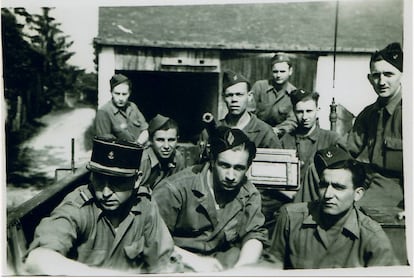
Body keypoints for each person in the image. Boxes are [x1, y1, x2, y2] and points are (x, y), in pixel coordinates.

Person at [24, 137, 181, 275]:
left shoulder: (144, 205)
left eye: (117, 182)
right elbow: (37, 259)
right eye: (99, 180)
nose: (105, 192)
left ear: (137, 180)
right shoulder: (78, 207)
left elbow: (163, 264)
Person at [152, 126, 268, 272]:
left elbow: (254, 233)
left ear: (248, 167)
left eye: (239, 168)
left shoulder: (249, 193)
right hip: (178, 261)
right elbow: (151, 237)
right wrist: (194, 262)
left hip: (220, 264)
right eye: (224, 165)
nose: (231, 176)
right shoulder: (174, 190)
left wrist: (242, 268)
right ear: (212, 160)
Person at [265, 144, 398, 269]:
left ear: (357, 194)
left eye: (338, 187)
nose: (328, 194)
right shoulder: (291, 218)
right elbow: (273, 263)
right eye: (323, 185)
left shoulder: (372, 238)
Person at [347, 42, 403, 210]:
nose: (381, 81)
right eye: (376, 75)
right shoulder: (370, 113)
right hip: (369, 178)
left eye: (388, 74)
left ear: (402, 75)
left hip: (397, 185)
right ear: (369, 78)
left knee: (356, 213)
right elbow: (348, 148)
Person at [281, 89, 343, 185]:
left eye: (309, 111)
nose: (305, 117)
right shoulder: (285, 140)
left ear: (317, 110)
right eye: (300, 112)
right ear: (293, 111)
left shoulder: (332, 139)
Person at [218, 70, 281, 148]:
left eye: (239, 94)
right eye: (229, 95)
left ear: (250, 96)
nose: (234, 99)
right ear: (223, 97)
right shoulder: (214, 130)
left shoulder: (264, 132)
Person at [250, 52, 297, 137]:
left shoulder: (294, 93)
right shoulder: (259, 87)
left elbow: (292, 120)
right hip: (257, 133)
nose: (278, 75)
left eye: (282, 71)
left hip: (281, 136)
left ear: (290, 71)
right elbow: (249, 111)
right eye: (275, 71)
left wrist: (277, 130)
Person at [95, 73, 149, 145]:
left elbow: (145, 130)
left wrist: (138, 144)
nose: (121, 98)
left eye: (124, 94)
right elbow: (105, 142)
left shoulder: (132, 107)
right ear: (111, 93)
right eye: (117, 93)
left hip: (139, 149)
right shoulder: (104, 112)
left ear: (129, 93)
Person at [140, 114, 185, 190]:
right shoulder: (143, 161)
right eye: (160, 140)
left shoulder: (177, 158)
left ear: (177, 139)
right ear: (151, 140)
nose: (166, 146)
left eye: (171, 140)